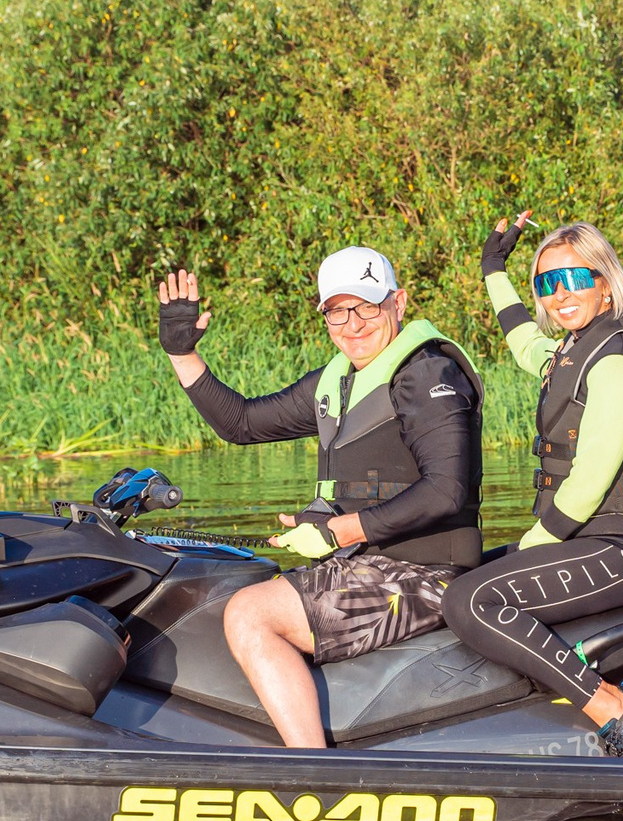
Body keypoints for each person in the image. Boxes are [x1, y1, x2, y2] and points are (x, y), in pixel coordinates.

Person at [155, 247, 484, 748]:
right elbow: (240, 423)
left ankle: (312, 767)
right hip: (365, 563)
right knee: (216, 588)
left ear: (398, 302)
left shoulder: (428, 375)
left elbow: (447, 489)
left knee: (250, 614)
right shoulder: (339, 380)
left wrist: (340, 530)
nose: (352, 325)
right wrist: (183, 354)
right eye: (336, 311)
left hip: (425, 576)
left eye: (367, 307)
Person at [443, 218, 623, 758]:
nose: (559, 294)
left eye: (573, 278)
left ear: (606, 281)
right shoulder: (573, 351)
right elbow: (525, 342)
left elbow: (591, 476)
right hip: (586, 544)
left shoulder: (619, 356)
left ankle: (613, 709)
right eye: (546, 283)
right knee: (453, 573)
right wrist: (493, 270)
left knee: (470, 598)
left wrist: (538, 539)